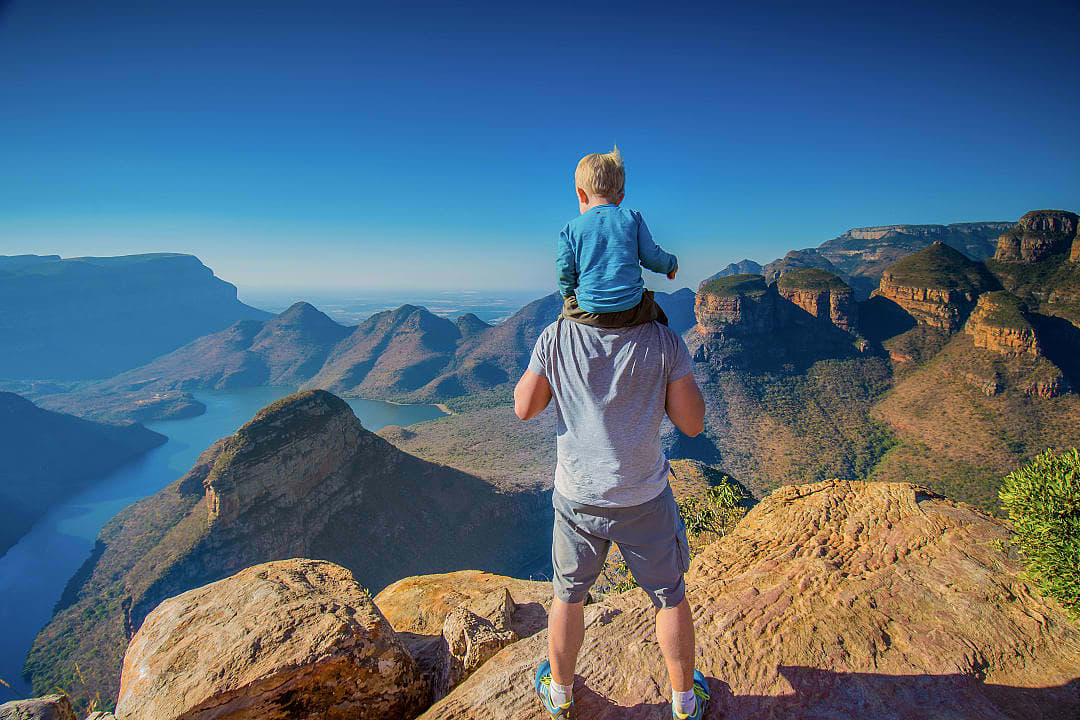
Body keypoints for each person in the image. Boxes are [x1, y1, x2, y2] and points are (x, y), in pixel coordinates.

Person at [513, 308, 710, 719]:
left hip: (577, 500)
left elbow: (525, 407)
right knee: (670, 598)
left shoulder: (556, 336)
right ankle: (685, 704)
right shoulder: (663, 341)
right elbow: (692, 424)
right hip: (643, 499)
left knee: (568, 595)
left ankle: (561, 695)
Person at [558, 146, 679, 329]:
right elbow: (651, 257)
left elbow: (565, 269)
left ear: (581, 194)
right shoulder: (633, 218)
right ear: (620, 198)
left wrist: (567, 294)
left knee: (563, 321)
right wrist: (671, 265)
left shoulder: (571, 229)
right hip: (632, 309)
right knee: (661, 320)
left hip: (589, 311)